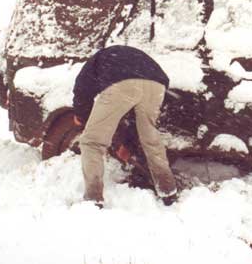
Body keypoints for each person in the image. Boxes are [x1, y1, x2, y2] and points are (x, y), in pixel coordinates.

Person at [72, 45, 178, 207]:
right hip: (157, 83)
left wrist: (81, 116)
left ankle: (93, 199)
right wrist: (128, 143)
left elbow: (82, 90)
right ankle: (168, 190)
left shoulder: (94, 64)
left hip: (123, 82)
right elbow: (134, 118)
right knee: (149, 139)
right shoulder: (120, 57)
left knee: (91, 142)